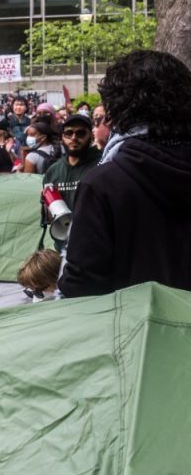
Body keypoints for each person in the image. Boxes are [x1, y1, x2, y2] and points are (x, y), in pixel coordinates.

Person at [59, 49, 191, 297]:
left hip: (134, 331)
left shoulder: (102, 185)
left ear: (116, 110)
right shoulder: (103, 183)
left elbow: (81, 286)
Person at [41, 112, 100, 223]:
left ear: (91, 136)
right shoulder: (53, 171)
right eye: (69, 133)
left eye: (80, 133)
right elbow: (48, 219)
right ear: (62, 137)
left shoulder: (102, 164)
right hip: (62, 237)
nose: (74, 138)